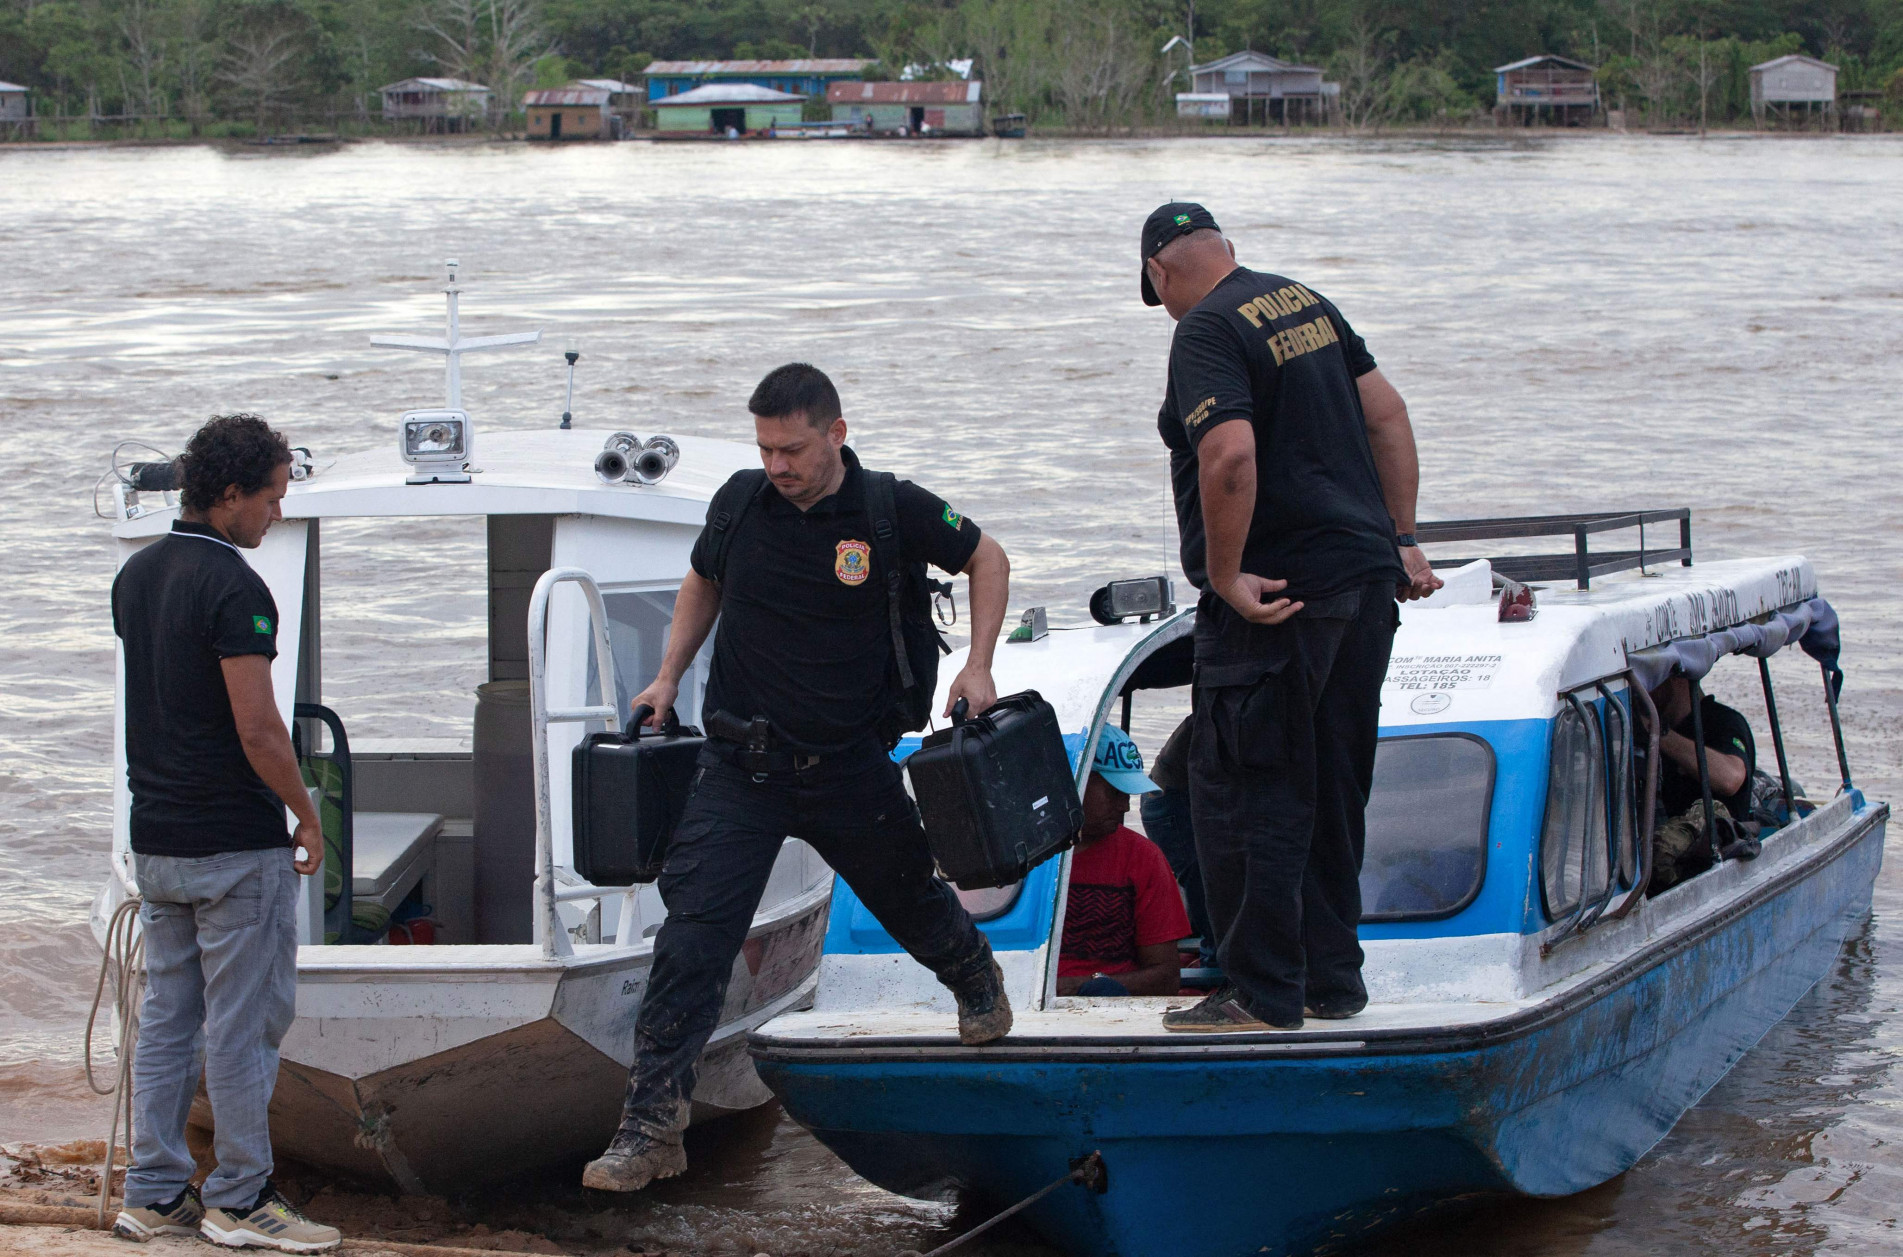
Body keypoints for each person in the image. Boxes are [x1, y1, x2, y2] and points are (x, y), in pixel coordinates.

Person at [583, 363, 1015, 1193]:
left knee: (911, 902)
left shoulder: (892, 507)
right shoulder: (741, 500)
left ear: (835, 434)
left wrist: (979, 664)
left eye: (791, 448)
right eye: (765, 448)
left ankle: (973, 975)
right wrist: (668, 675)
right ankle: (649, 1124)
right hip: (739, 766)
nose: (777, 465)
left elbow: (986, 556)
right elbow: (701, 580)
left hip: (850, 764)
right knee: (692, 937)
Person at [1137, 202, 1442, 1034]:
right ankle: (1330, 982)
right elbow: (1386, 413)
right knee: (1332, 790)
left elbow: (1228, 451)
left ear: (1162, 274)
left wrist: (1227, 575)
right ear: (1226, 249)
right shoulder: (1302, 301)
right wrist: (1403, 534)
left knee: (1244, 794)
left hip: (1276, 601)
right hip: (1362, 586)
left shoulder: (1203, 330)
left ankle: (1262, 994)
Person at [109, 414, 341, 1252]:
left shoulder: (135, 577)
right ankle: (241, 1199)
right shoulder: (237, 589)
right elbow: (258, 730)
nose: (276, 513)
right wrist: (307, 814)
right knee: (245, 1023)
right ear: (231, 494)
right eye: (273, 497)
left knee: (170, 1018)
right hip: (232, 846)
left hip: (158, 839)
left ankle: (155, 1191)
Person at [1058, 727, 1193, 996]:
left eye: (1128, 795)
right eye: (1114, 792)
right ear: (1075, 782)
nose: (1125, 807)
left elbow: (1166, 977)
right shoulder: (1013, 855)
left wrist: (1084, 985)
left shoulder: (1145, 858)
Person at [1644, 673, 1758, 893]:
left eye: (1648, 678)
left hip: (1718, 874)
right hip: (1656, 870)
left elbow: (1730, 778)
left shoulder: (1723, 722)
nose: (1641, 691)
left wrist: (1658, 735)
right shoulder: (1634, 724)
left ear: (1677, 676)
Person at [1135, 716, 1216, 969]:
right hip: (1171, 801)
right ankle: (1214, 957)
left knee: (1207, 879)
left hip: (1174, 794)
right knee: (1206, 881)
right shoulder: (1216, 719)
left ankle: (1210, 945)